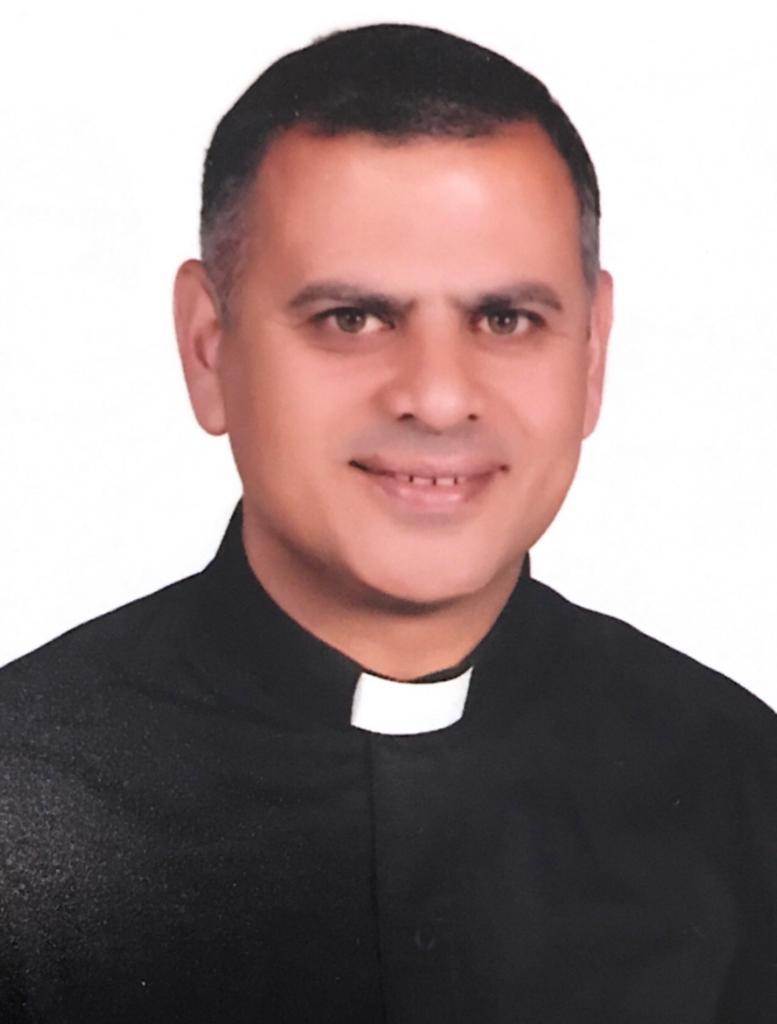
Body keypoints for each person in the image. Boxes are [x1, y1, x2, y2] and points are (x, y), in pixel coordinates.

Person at [0, 21, 774, 1023]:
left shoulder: (741, 787)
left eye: (506, 320)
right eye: (352, 319)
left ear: (591, 356)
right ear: (208, 348)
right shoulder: (20, 790)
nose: (439, 398)